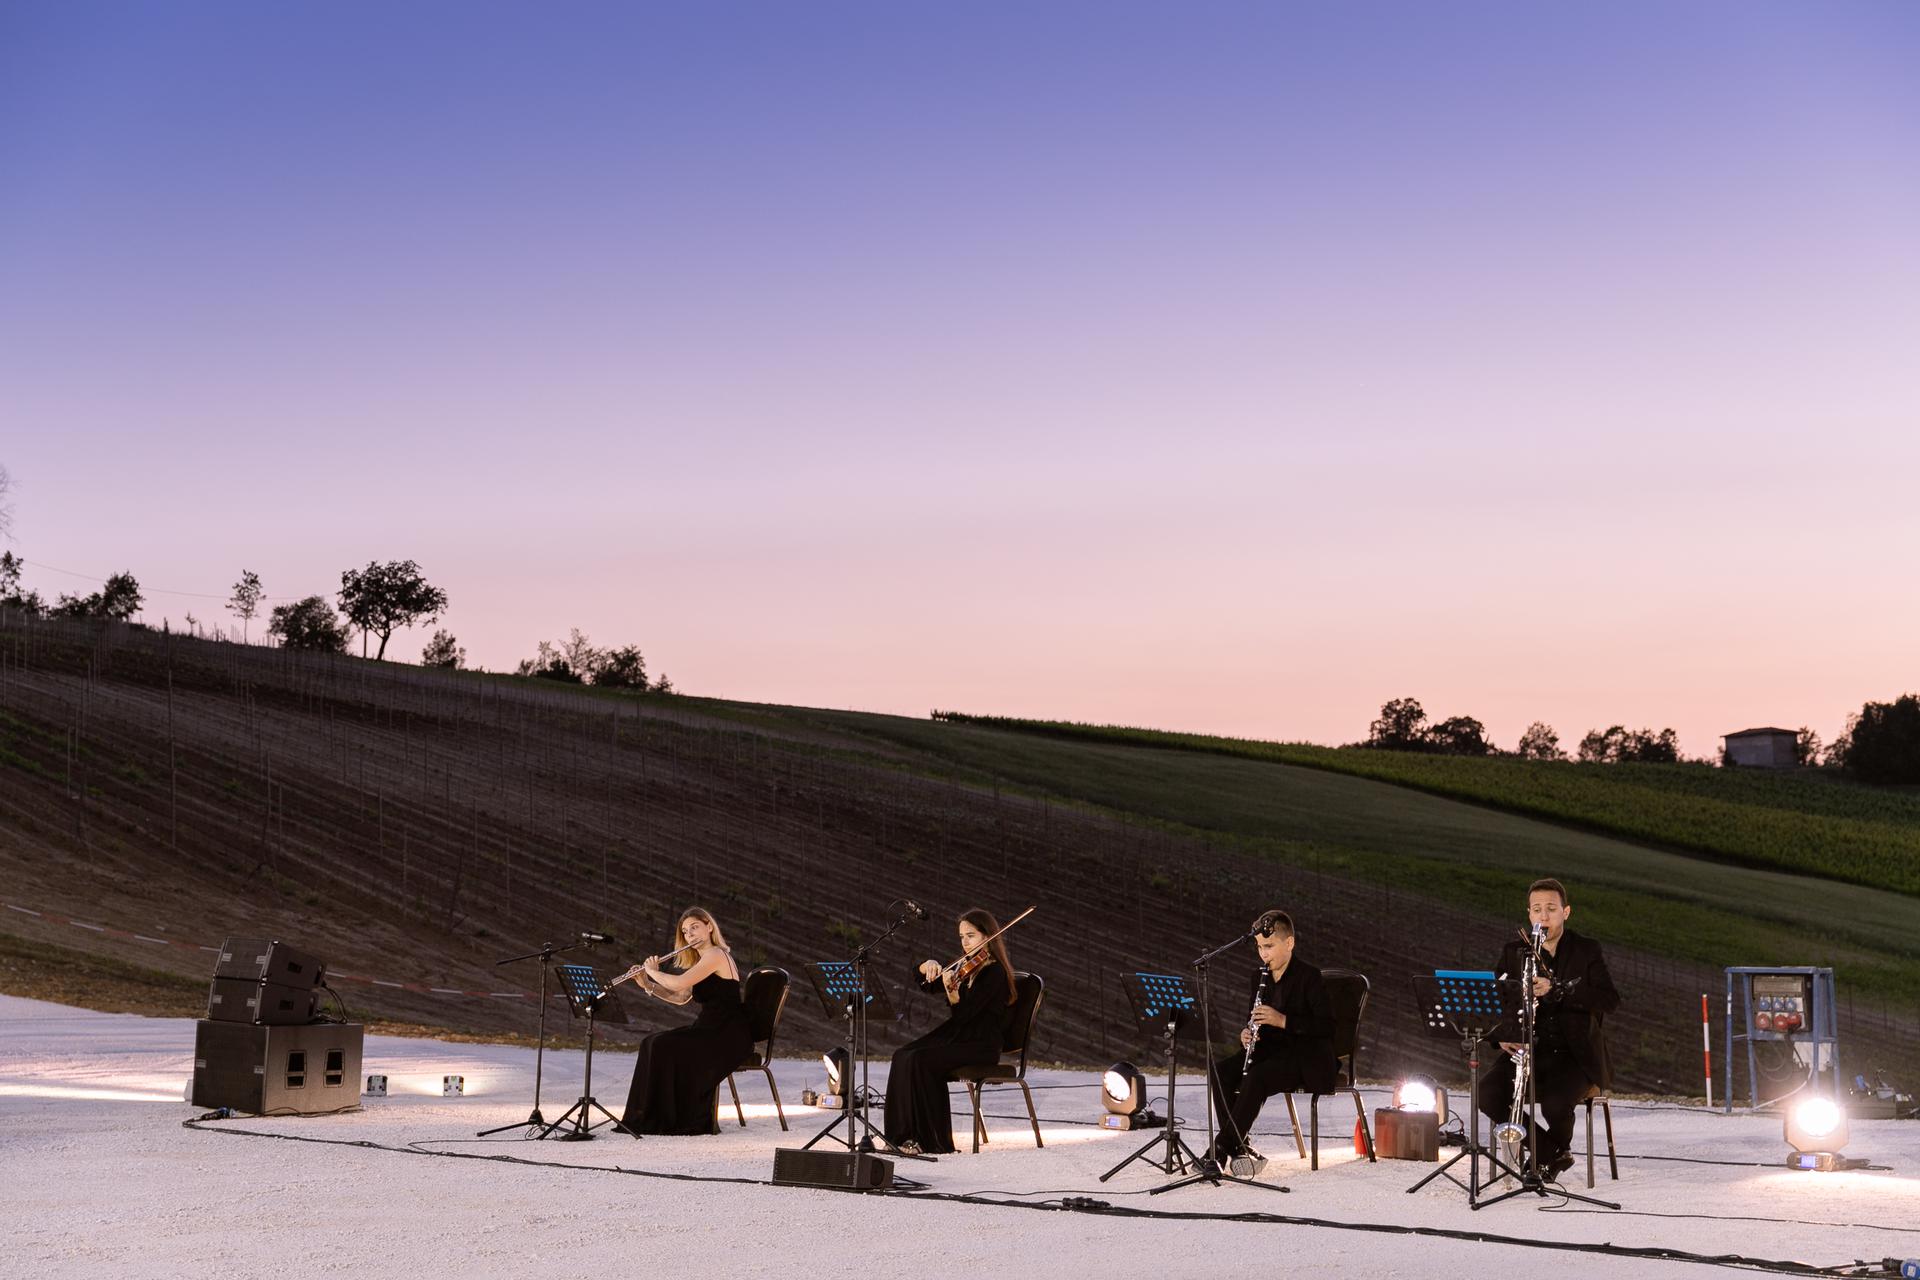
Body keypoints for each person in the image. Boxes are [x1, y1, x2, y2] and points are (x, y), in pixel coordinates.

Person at [1477, 877, 1620, 1181]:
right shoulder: (1515, 951)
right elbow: (1496, 1000)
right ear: (1528, 914)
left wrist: (1557, 989)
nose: (1544, 916)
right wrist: (1501, 1036)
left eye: (1551, 909)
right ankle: (1552, 1152)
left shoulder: (1586, 950)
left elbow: (1609, 1000)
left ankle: (1547, 1155)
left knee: (1556, 1103)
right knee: (1487, 1094)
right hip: (1529, 1047)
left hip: (1575, 1053)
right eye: (1537, 909)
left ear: (1566, 912)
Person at [1207, 909, 1339, 1162]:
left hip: (1305, 1056)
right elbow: (1254, 1017)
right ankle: (1239, 1145)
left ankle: (1221, 1150)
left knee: (1257, 1076)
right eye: (1259, 947)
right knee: (1220, 1071)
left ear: (1289, 943)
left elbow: (1327, 1027)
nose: (1263, 953)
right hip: (1270, 1049)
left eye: (1269, 946)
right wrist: (1247, 1033)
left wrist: (1283, 1020)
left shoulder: (1309, 977)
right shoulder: (1259, 976)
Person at [883, 908, 1018, 1155]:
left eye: (971, 936)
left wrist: (953, 992)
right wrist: (926, 966)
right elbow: (926, 984)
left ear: (987, 936)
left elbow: (966, 1014)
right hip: (958, 1036)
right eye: (961, 937)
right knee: (901, 1054)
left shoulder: (994, 972)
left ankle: (932, 1141)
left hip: (981, 1044)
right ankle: (899, 1136)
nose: (965, 943)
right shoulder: (966, 967)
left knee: (921, 1060)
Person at [617, 907, 753, 1136]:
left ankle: (668, 1118)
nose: (691, 935)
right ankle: (646, 1115)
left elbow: (678, 984)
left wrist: (652, 971)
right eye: (686, 932)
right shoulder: (701, 960)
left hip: (727, 1034)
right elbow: (680, 997)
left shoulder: (717, 955)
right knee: (651, 1041)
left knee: (663, 1045)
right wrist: (647, 985)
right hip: (708, 1029)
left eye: (695, 928)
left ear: (709, 926)